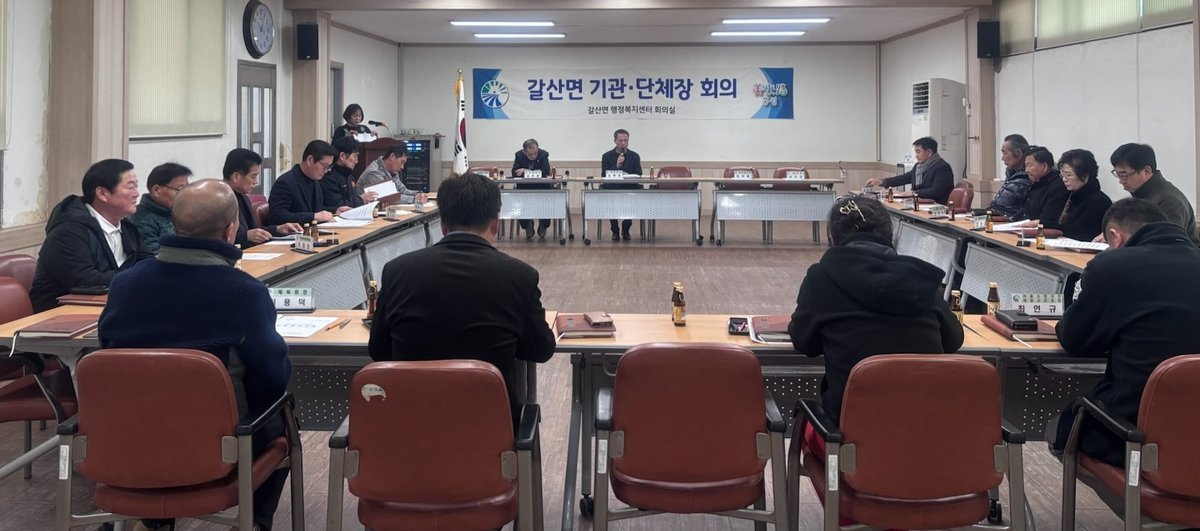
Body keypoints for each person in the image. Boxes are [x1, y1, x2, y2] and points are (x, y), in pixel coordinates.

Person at [98, 180, 293, 531]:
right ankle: (255, 523)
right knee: (282, 416)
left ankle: (155, 521)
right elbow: (272, 378)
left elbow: (109, 353)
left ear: (175, 225)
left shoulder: (125, 284)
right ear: (230, 230)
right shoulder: (244, 292)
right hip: (220, 445)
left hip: (129, 439)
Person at [368, 173, 555, 421]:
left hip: (410, 424)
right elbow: (541, 350)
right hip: (490, 426)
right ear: (495, 223)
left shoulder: (396, 271)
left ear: (443, 225)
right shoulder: (519, 276)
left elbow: (379, 350)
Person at [1050, 198, 1200, 471]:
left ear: (1115, 237)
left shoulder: (1112, 267)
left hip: (1132, 435)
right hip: (1191, 434)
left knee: (1061, 428)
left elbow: (1074, 340)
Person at [788, 194, 963, 427]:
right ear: (890, 235)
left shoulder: (821, 277)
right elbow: (953, 340)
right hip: (925, 428)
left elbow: (804, 343)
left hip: (850, 429)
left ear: (832, 237)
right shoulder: (921, 277)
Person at [29, 159, 152, 313]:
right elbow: (86, 281)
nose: (136, 194)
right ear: (102, 193)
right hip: (61, 315)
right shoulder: (68, 232)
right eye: (130, 187)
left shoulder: (127, 228)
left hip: (112, 308)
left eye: (136, 186)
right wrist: (139, 275)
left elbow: (149, 264)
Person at [1109, 143, 1199, 245]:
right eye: (1117, 174)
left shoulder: (1170, 201)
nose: (1121, 181)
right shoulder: (1140, 193)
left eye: (1124, 175)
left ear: (1146, 171)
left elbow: (1165, 244)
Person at [222, 148, 302, 248]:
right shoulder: (219, 201)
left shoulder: (243, 197)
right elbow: (214, 241)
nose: (256, 182)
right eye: (253, 177)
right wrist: (245, 236)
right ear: (236, 177)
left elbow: (254, 231)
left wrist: (277, 229)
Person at [1043, 149, 1112, 241]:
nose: (1064, 179)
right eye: (1063, 175)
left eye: (1068, 175)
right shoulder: (1066, 194)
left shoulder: (1099, 202)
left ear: (1085, 176)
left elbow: (1081, 233)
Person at [864, 136, 954, 205]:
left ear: (929, 152)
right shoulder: (918, 166)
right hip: (918, 203)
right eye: (916, 152)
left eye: (918, 152)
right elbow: (904, 178)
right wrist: (881, 181)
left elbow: (935, 191)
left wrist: (914, 193)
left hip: (936, 206)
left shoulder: (942, 167)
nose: (916, 155)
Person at [267, 140, 337, 226]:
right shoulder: (285, 182)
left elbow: (314, 209)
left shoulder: (315, 180)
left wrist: (335, 210)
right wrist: (313, 217)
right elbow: (277, 216)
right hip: (294, 233)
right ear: (310, 160)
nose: (326, 171)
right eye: (324, 166)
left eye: (328, 167)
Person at [130, 162, 192, 254]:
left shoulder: (177, 212)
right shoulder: (141, 219)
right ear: (156, 190)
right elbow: (153, 255)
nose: (185, 195)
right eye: (181, 189)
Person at [600, 128, 643, 241]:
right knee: (610, 202)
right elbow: (604, 175)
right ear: (615, 141)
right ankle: (615, 230)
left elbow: (639, 174)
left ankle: (626, 228)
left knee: (633, 200)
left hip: (629, 188)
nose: (623, 143)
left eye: (626, 140)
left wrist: (628, 175)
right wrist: (617, 166)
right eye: (620, 141)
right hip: (612, 188)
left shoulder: (634, 156)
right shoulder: (607, 156)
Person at [355, 144, 427, 205]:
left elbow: (402, 190)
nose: (402, 167)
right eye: (401, 162)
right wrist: (414, 199)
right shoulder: (374, 172)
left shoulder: (393, 171)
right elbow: (389, 197)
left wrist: (417, 194)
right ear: (392, 156)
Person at [512, 138, 552, 241]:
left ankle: (543, 224)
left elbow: (545, 171)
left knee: (546, 205)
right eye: (530, 154)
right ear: (524, 152)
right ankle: (528, 225)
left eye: (535, 153)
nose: (534, 156)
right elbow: (514, 172)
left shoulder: (543, 154)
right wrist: (533, 172)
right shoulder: (519, 155)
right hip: (525, 188)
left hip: (542, 189)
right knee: (522, 205)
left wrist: (526, 170)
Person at [323, 136, 377, 213]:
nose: (356, 161)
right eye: (355, 156)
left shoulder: (349, 176)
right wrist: (362, 199)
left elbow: (353, 199)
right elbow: (338, 205)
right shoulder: (329, 177)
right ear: (342, 156)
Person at [1016, 146, 1068, 223]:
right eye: (1025, 166)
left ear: (1044, 166)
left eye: (1029, 165)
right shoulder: (1037, 183)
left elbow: (1047, 220)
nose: (1026, 170)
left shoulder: (1057, 187)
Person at [986, 134, 1033, 219]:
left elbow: (1005, 210)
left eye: (1004, 153)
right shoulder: (1012, 176)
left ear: (1018, 153)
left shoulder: (1026, 179)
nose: (1002, 158)